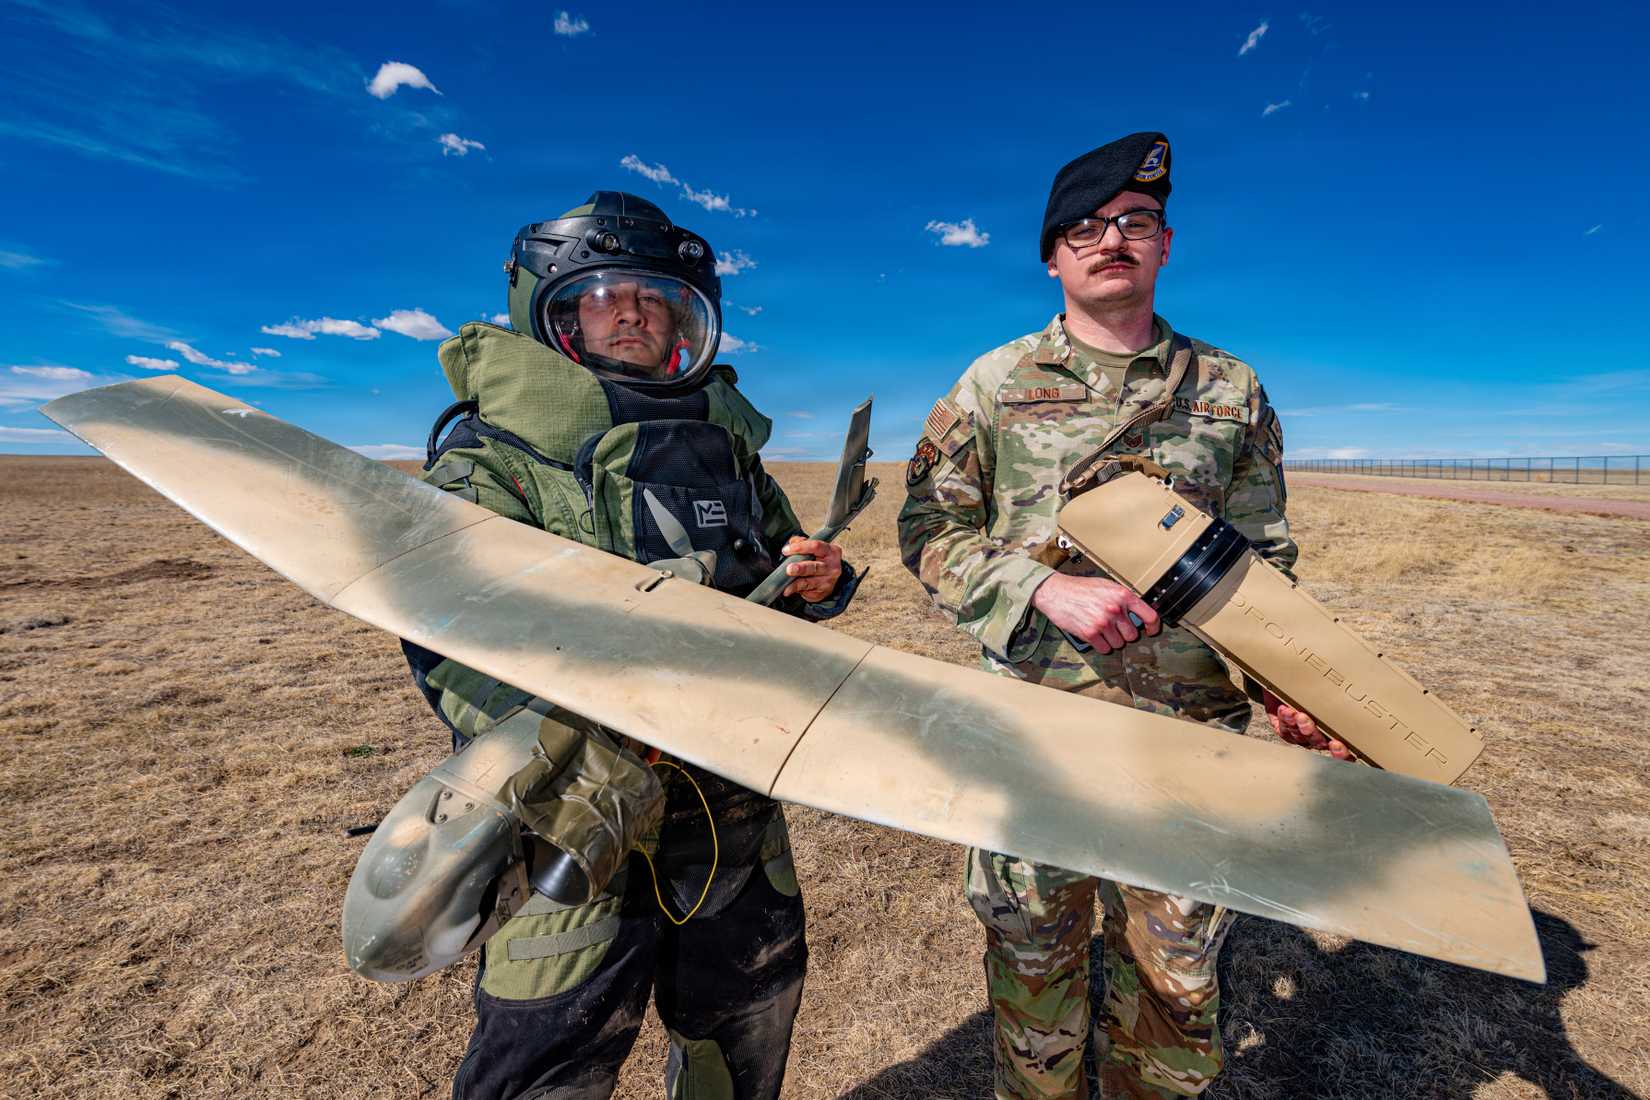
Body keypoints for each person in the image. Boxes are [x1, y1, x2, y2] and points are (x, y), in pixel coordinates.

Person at [896, 133, 1347, 1100]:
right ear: (1053, 257)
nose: (1113, 240)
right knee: (1035, 992)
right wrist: (1037, 589)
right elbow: (928, 529)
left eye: (1135, 223)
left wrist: (1291, 687)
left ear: (1166, 244)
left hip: (1187, 745)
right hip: (1035, 738)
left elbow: (1265, 561)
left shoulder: (1230, 391)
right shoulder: (993, 385)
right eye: (1086, 228)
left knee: (1177, 1001)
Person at [405, 191, 855, 1100]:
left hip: (733, 808)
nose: (633, 311)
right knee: (546, 1061)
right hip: (569, 818)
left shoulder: (729, 450)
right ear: (555, 308)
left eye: (654, 297)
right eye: (606, 293)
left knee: (748, 1025)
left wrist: (818, 582)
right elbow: (447, 638)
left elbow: (781, 564)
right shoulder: (490, 459)